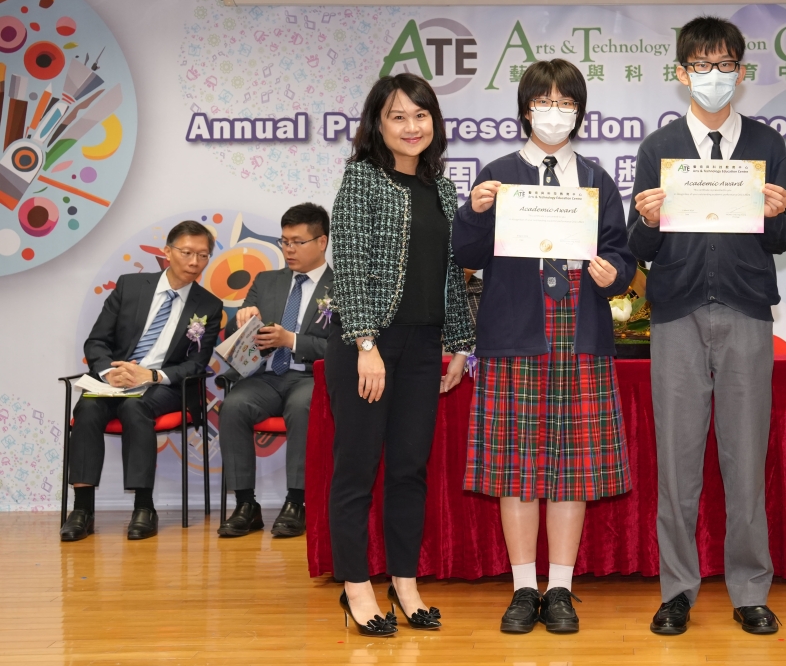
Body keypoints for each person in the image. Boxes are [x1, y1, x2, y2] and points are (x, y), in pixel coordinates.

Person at [453, 59, 636, 635]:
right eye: (544, 102)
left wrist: (614, 272)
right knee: (516, 468)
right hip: (516, 329)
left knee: (573, 467)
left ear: (579, 113)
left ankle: (559, 587)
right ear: (525, 110)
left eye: (565, 103)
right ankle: (522, 588)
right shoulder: (499, 175)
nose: (555, 113)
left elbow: (622, 253)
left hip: (580, 329)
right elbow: (466, 255)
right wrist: (475, 211)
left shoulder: (597, 179)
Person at [627, 16, 786, 636]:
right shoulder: (658, 147)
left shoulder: (767, 143)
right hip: (676, 312)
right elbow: (639, 246)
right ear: (682, 73)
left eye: (725, 65)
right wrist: (647, 219)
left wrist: (777, 212)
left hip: (746, 308)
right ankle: (677, 590)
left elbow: (783, 237)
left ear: (741, 73)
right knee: (677, 463)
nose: (714, 76)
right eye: (702, 65)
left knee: (745, 459)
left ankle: (750, 590)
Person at [327, 73, 475, 637]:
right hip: (369, 345)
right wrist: (366, 344)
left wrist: (458, 343)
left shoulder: (442, 188)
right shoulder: (362, 179)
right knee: (357, 470)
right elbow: (350, 265)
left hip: (423, 347)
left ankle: (405, 583)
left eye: (421, 115)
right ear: (378, 124)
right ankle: (356, 588)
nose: (411, 126)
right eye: (398, 116)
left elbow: (450, 276)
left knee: (410, 470)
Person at [60, 220, 223, 542]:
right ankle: (82, 509)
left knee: (136, 409)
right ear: (167, 252)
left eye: (203, 255)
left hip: (164, 386)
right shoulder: (130, 286)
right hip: (115, 378)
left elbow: (196, 363)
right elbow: (97, 342)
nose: (194, 262)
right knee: (88, 410)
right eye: (187, 252)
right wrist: (109, 372)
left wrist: (151, 376)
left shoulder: (208, 305)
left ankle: (144, 507)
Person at [217, 202, 332, 539]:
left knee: (303, 406)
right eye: (285, 241)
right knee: (234, 406)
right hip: (266, 376)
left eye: (297, 242)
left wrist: (291, 340)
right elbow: (234, 337)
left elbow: (343, 347)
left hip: (310, 376)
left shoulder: (342, 286)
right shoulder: (266, 281)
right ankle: (245, 505)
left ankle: (297, 502)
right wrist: (241, 322)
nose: (289, 249)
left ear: (322, 242)